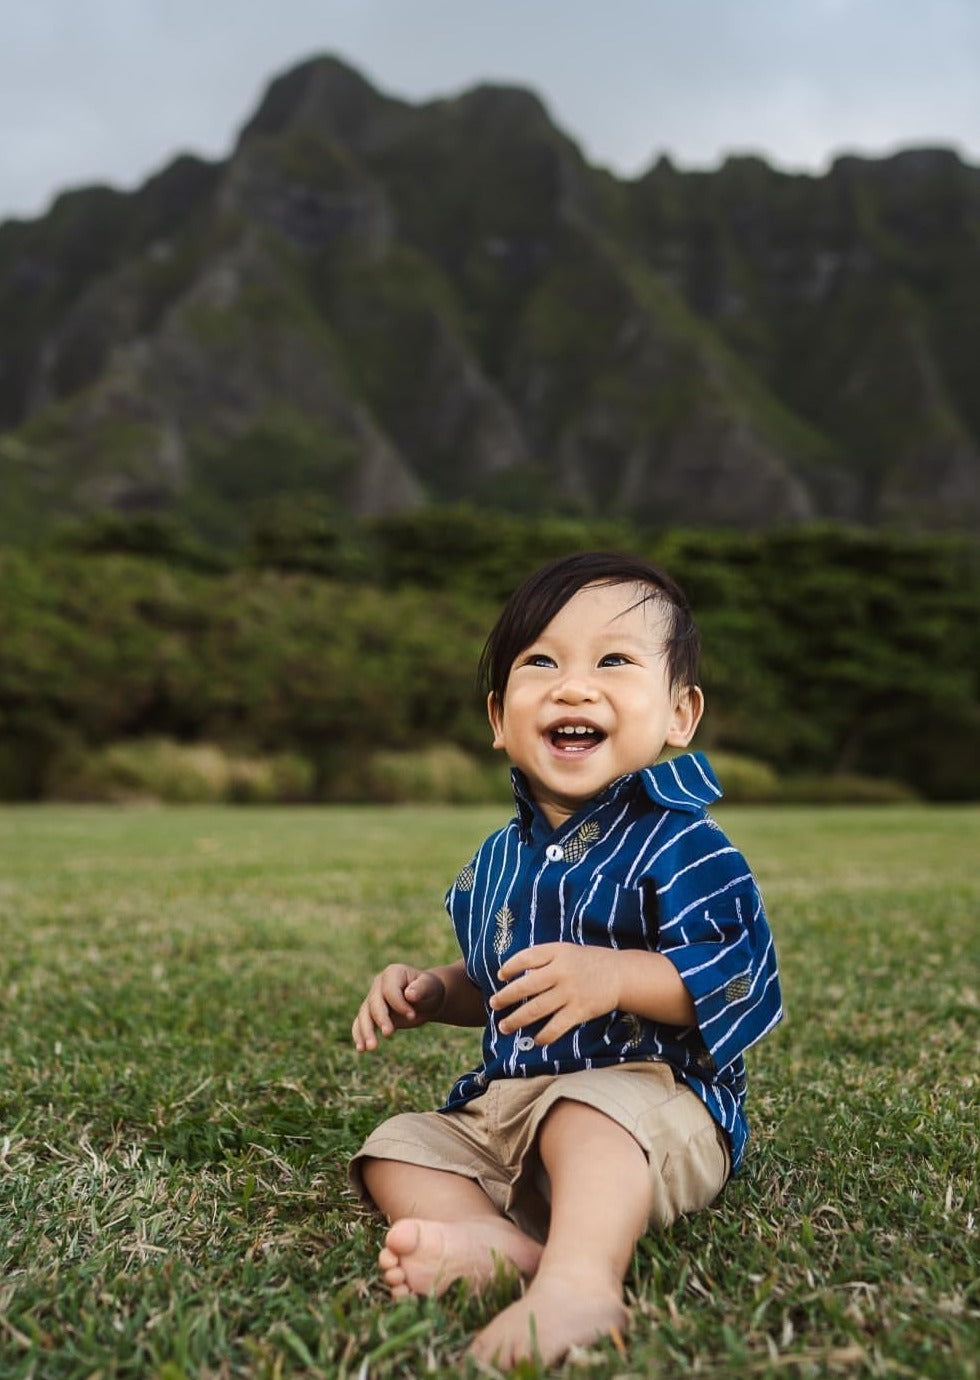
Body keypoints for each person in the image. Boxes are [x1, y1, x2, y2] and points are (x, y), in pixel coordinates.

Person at [350, 551, 782, 1368]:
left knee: (583, 1115)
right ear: (497, 717)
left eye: (614, 661)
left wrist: (615, 976)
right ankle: (493, 1244)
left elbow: (738, 975)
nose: (574, 686)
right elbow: (496, 983)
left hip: (649, 1105)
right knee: (396, 1145)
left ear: (680, 714)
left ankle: (580, 1283)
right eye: (541, 662)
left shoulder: (682, 841)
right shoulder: (495, 860)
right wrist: (429, 990)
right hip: (507, 1107)